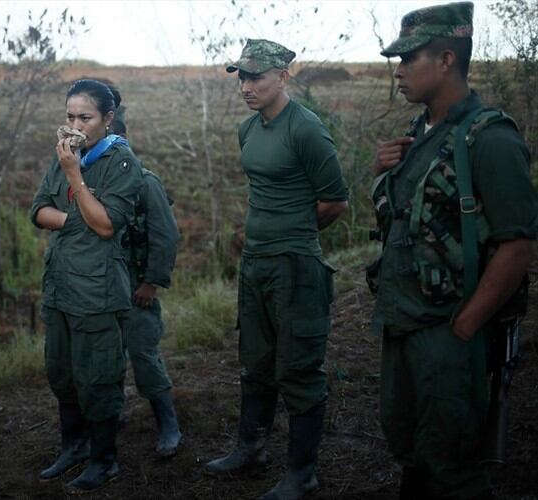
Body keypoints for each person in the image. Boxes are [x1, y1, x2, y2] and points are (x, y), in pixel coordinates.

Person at [371, 3, 537, 498]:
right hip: (404, 322)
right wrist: (383, 171)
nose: (398, 72)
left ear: (446, 59)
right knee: (412, 451)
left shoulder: (490, 138)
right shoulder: (420, 135)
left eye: (408, 59)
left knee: (455, 467)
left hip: (449, 332)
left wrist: (467, 325)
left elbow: (518, 244)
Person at [204, 39, 349, 500]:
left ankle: (301, 472)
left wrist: (292, 236)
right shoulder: (248, 130)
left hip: (295, 266)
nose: (246, 86)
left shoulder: (306, 129)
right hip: (256, 265)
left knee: (299, 368)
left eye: (256, 77)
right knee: (256, 362)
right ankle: (251, 448)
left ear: (283, 77)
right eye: (241, 77)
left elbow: (335, 202)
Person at [31, 79, 143, 494]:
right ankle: (73, 447)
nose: (74, 126)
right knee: (62, 372)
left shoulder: (120, 161)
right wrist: (79, 211)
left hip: (96, 290)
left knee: (98, 377)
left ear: (108, 119)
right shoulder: (64, 155)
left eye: (85, 117)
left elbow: (107, 224)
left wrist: (74, 175)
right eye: (69, 116)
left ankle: (103, 459)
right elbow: (39, 210)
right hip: (61, 286)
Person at [111, 117, 183, 457]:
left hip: (137, 286)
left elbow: (166, 236)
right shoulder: (90, 182)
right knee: (105, 358)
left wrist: (152, 282)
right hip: (101, 287)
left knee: (143, 353)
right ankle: (109, 417)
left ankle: (168, 424)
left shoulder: (144, 182)